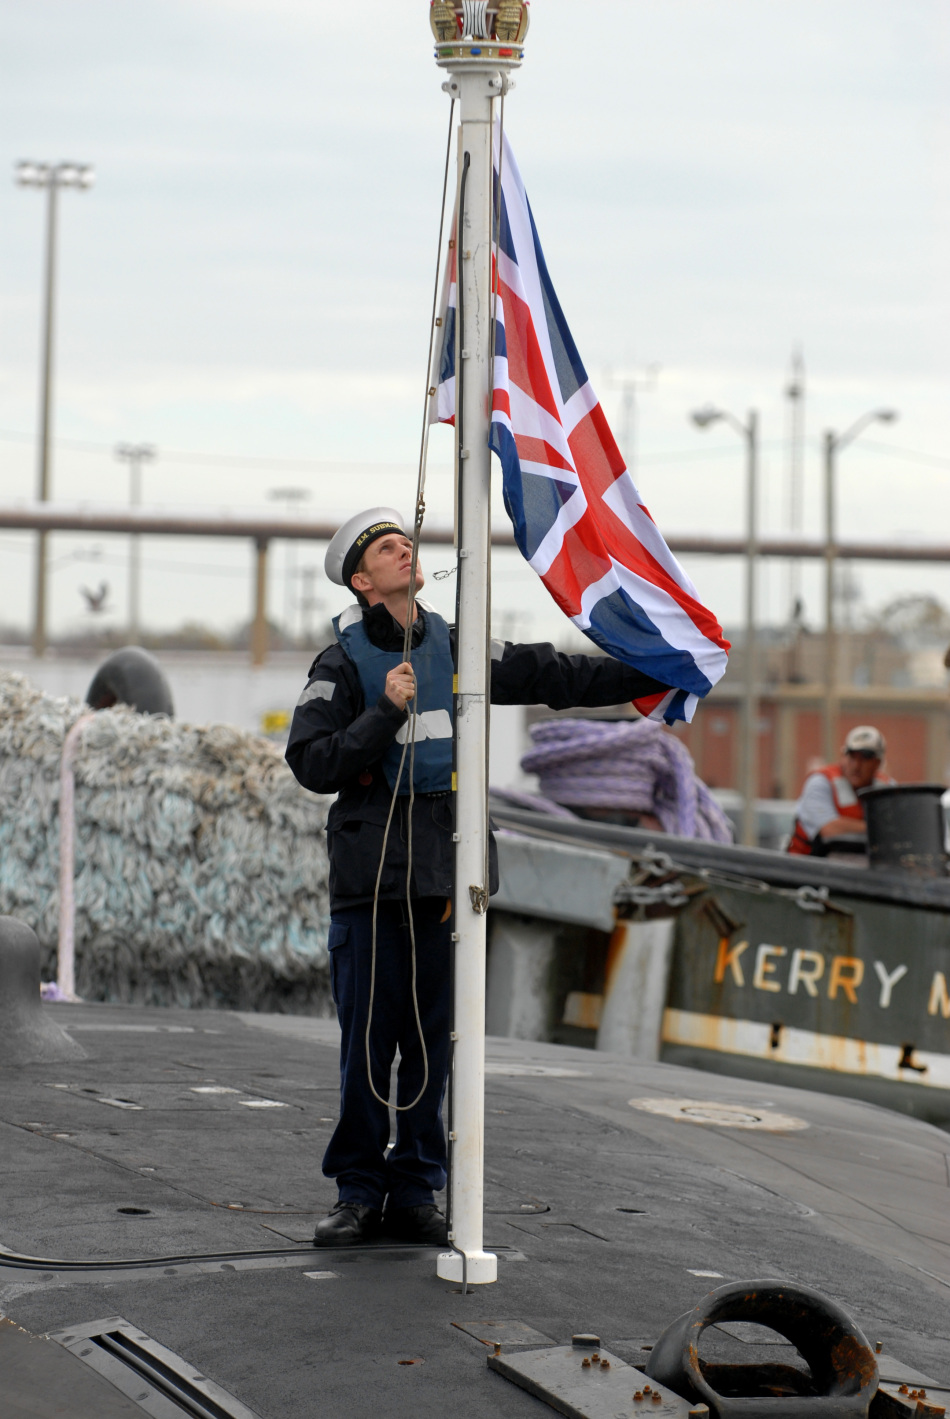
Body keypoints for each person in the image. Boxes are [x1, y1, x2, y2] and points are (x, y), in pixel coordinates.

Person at [285, 506, 672, 1247]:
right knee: (367, 1047)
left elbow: (554, 674)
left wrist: (657, 669)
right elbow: (311, 762)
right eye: (387, 549)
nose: (405, 550)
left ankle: (415, 1191)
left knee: (435, 1044)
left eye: (406, 541)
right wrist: (383, 713)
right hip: (372, 886)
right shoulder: (338, 666)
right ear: (362, 581)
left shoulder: (460, 647)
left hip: (446, 875)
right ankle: (358, 1192)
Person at [787, 725, 893, 856]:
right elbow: (829, 829)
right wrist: (880, 827)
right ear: (843, 756)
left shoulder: (888, 787)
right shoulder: (820, 782)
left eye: (865, 759)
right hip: (805, 864)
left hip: (854, 864)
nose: (856, 766)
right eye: (852, 757)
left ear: (877, 763)